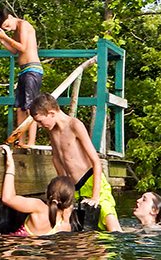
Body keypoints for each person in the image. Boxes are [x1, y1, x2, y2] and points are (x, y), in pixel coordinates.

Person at [29, 93, 121, 231]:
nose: (40, 125)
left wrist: (95, 197)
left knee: (109, 221)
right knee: (80, 227)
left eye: (41, 121)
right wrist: (62, 186)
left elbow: (96, 161)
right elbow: (56, 158)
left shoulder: (74, 125)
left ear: (52, 113)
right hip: (73, 187)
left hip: (92, 181)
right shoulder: (52, 131)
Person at [0, 6, 43, 147]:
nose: (8, 28)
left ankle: (30, 142)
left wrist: (5, 37)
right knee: (20, 107)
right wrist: (1, 39)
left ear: (11, 17)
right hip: (23, 71)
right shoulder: (15, 31)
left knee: (30, 107)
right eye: (4, 28)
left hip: (33, 69)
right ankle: (21, 140)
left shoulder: (23, 25)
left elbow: (23, 47)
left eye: (7, 25)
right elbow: (14, 50)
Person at [1, 145, 74, 236]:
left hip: (14, 245)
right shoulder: (64, 226)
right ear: (69, 202)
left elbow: (7, 198)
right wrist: (67, 219)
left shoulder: (38, 207)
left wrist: (10, 166)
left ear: (47, 191)